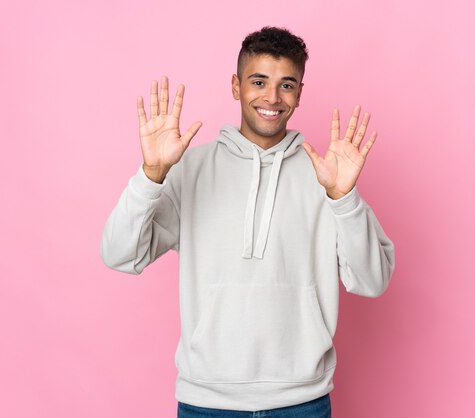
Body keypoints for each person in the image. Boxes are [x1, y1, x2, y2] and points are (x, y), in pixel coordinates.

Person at [100, 26, 395, 418]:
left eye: (287, 85)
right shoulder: (191, 169)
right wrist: (151, 174)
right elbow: (119, 254)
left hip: (301, 403)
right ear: (236, 87)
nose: (272, 97)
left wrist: (343, 199)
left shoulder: (326, 176)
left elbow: (373, 280)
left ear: (300, 94)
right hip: (206, 403)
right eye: (259, 81)